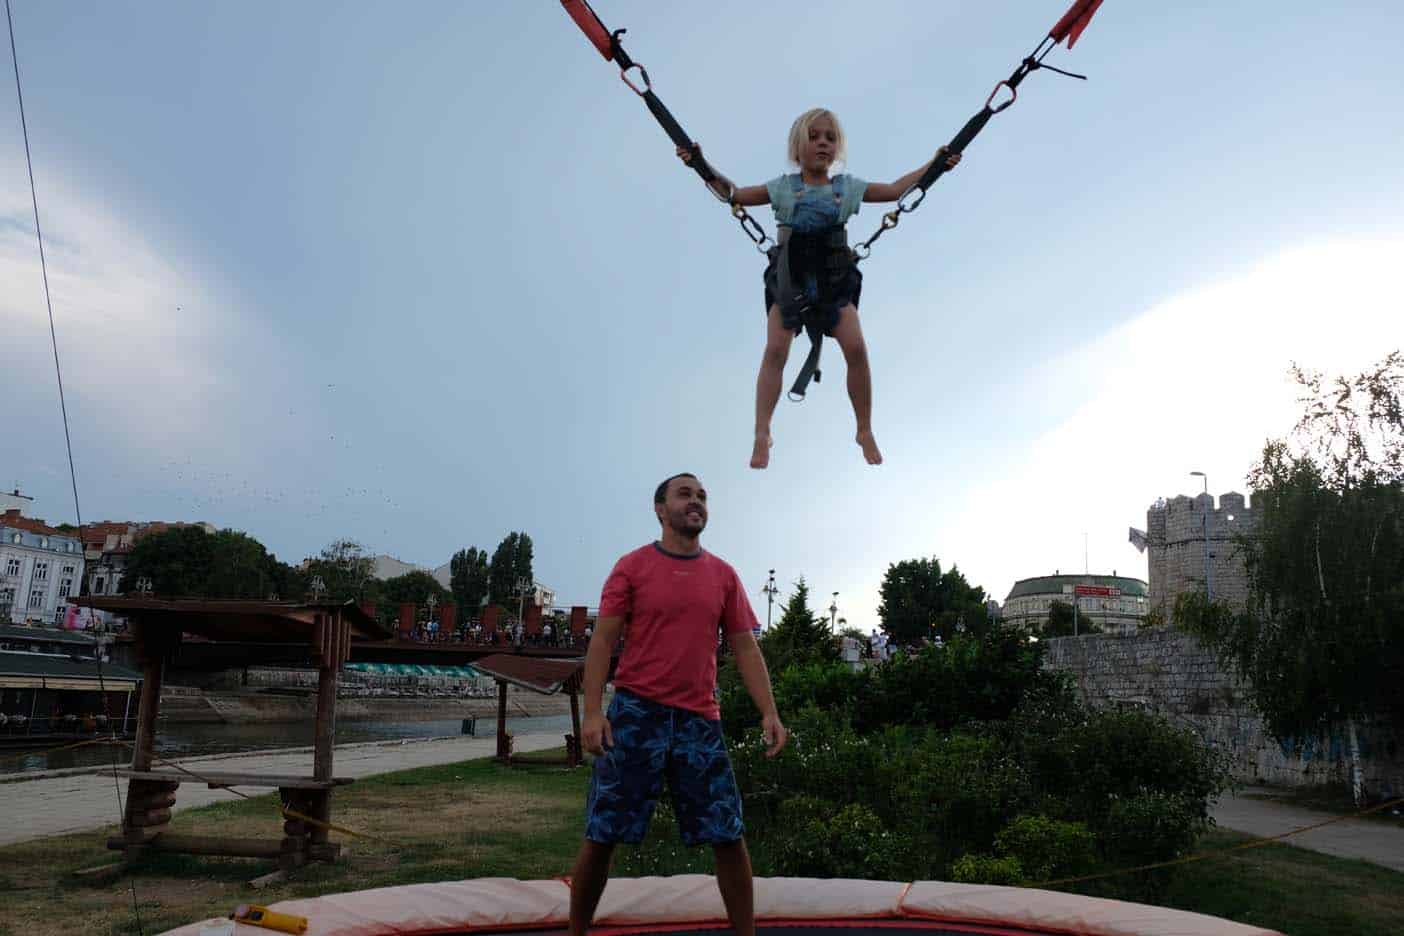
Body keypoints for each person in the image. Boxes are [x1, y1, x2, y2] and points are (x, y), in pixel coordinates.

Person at [679, 109, 960, 469]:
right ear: (798, 147)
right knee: (776, 350)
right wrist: (701, 165)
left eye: (830, 137)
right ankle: (762, 430)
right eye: (814, 137)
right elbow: (734, 194)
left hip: (834, 277)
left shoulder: (846, 188)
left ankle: (864, 428)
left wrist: (934, 164)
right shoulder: (782, 188)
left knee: (856, 347)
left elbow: (893, 190)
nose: (823, 143)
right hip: (790, 278)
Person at [568, 473, 787, 936]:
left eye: (703, 495)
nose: (696, 501)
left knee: (728, 834)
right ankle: (575, 934)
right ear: (660, 509)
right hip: (634, 716)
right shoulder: (631, 567)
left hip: (698, 721)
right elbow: (602, 641)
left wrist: (770, 710)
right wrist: (592, 712)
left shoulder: (724, 576)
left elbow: (746, 647)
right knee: (602, 833)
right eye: (685, 493)